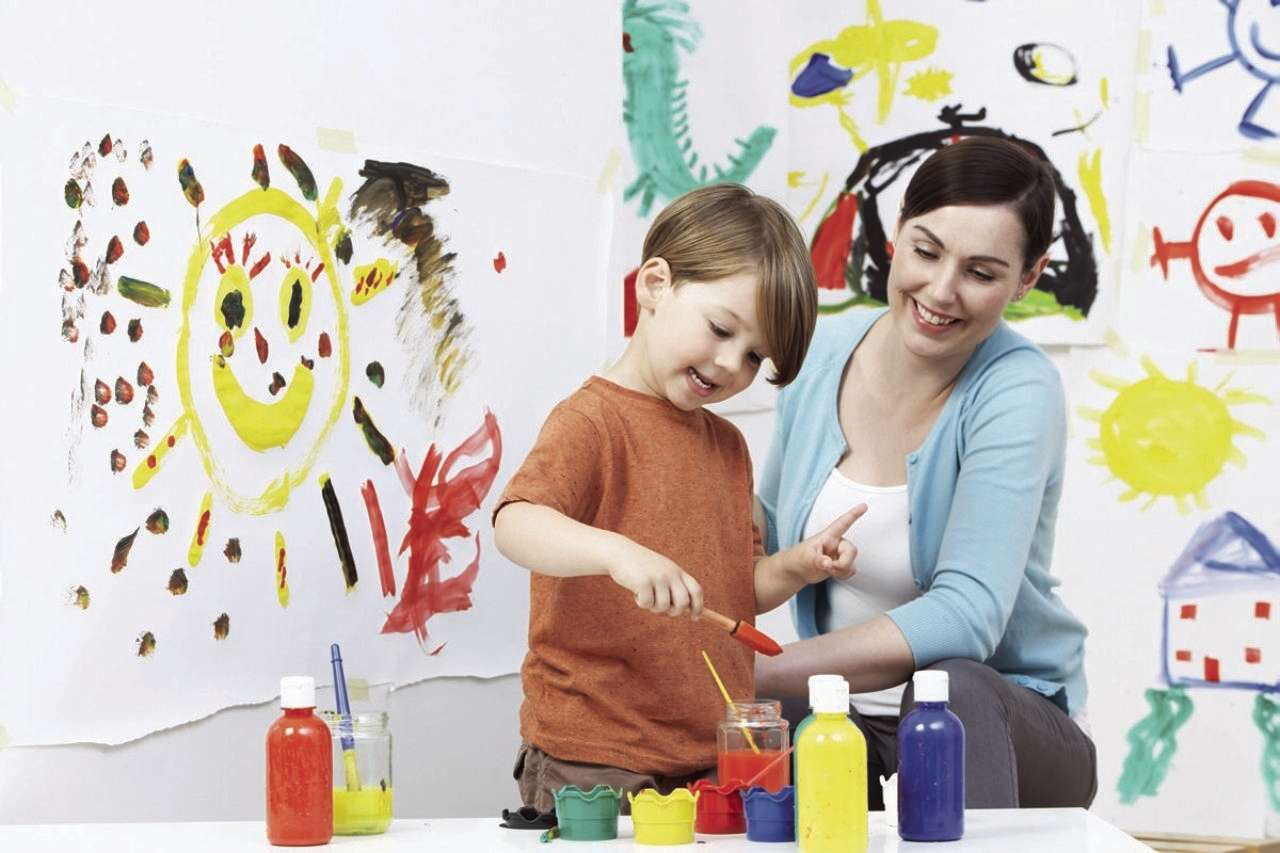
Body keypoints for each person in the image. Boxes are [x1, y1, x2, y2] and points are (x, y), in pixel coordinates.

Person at [492, 183, 863, 813]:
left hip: (710, 757)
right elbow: (516, 523)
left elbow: (734, 591)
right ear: (655, 285)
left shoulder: (728, 446)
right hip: (595, 759)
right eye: (720, 329)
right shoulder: (591, 421)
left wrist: (797, 567)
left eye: (754, 356)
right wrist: (618, 553)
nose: (730, 364)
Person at [756, 136, 1096, 809]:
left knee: (953, 688)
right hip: (845, 719)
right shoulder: (820, 353)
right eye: (927, 251)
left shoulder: (1017, 389)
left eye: (981, 272)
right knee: (762, 721)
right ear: (898, 232)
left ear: (1028, 278)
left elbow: (968, 616)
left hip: (1003, 723)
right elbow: (759, 540)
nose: (940, 291)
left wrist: (765, 670)